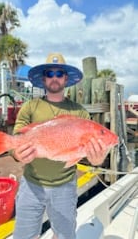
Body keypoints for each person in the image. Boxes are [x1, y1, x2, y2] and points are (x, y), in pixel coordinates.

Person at [11, 53, 105, 239]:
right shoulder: (30, 107)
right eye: (50, 73)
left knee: (64, 235)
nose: (54, 77)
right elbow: (14, 140)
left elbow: (85, 154)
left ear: (66, 78)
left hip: (65, 187)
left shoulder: (80, 112)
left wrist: (98, 160)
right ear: (44, 78)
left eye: (59, 73)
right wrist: (16, 152)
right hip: (31, 184)